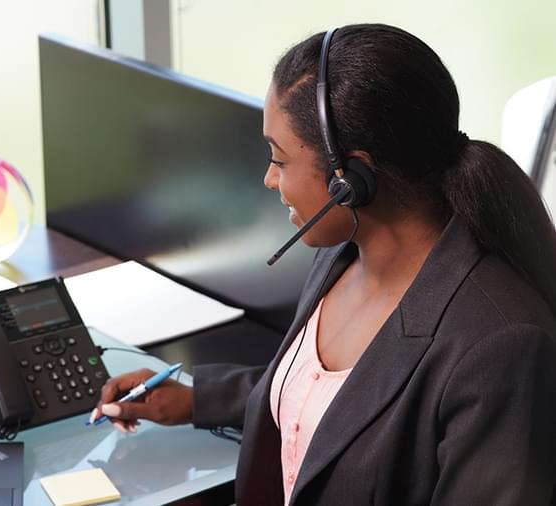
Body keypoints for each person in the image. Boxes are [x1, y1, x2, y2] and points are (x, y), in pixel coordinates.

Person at [91, 23, 556, 505]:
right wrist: (196, 398)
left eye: (280, 158)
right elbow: (337, 397)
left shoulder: (500, 347)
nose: (269, 179)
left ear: (351, 177)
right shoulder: (341, 255)